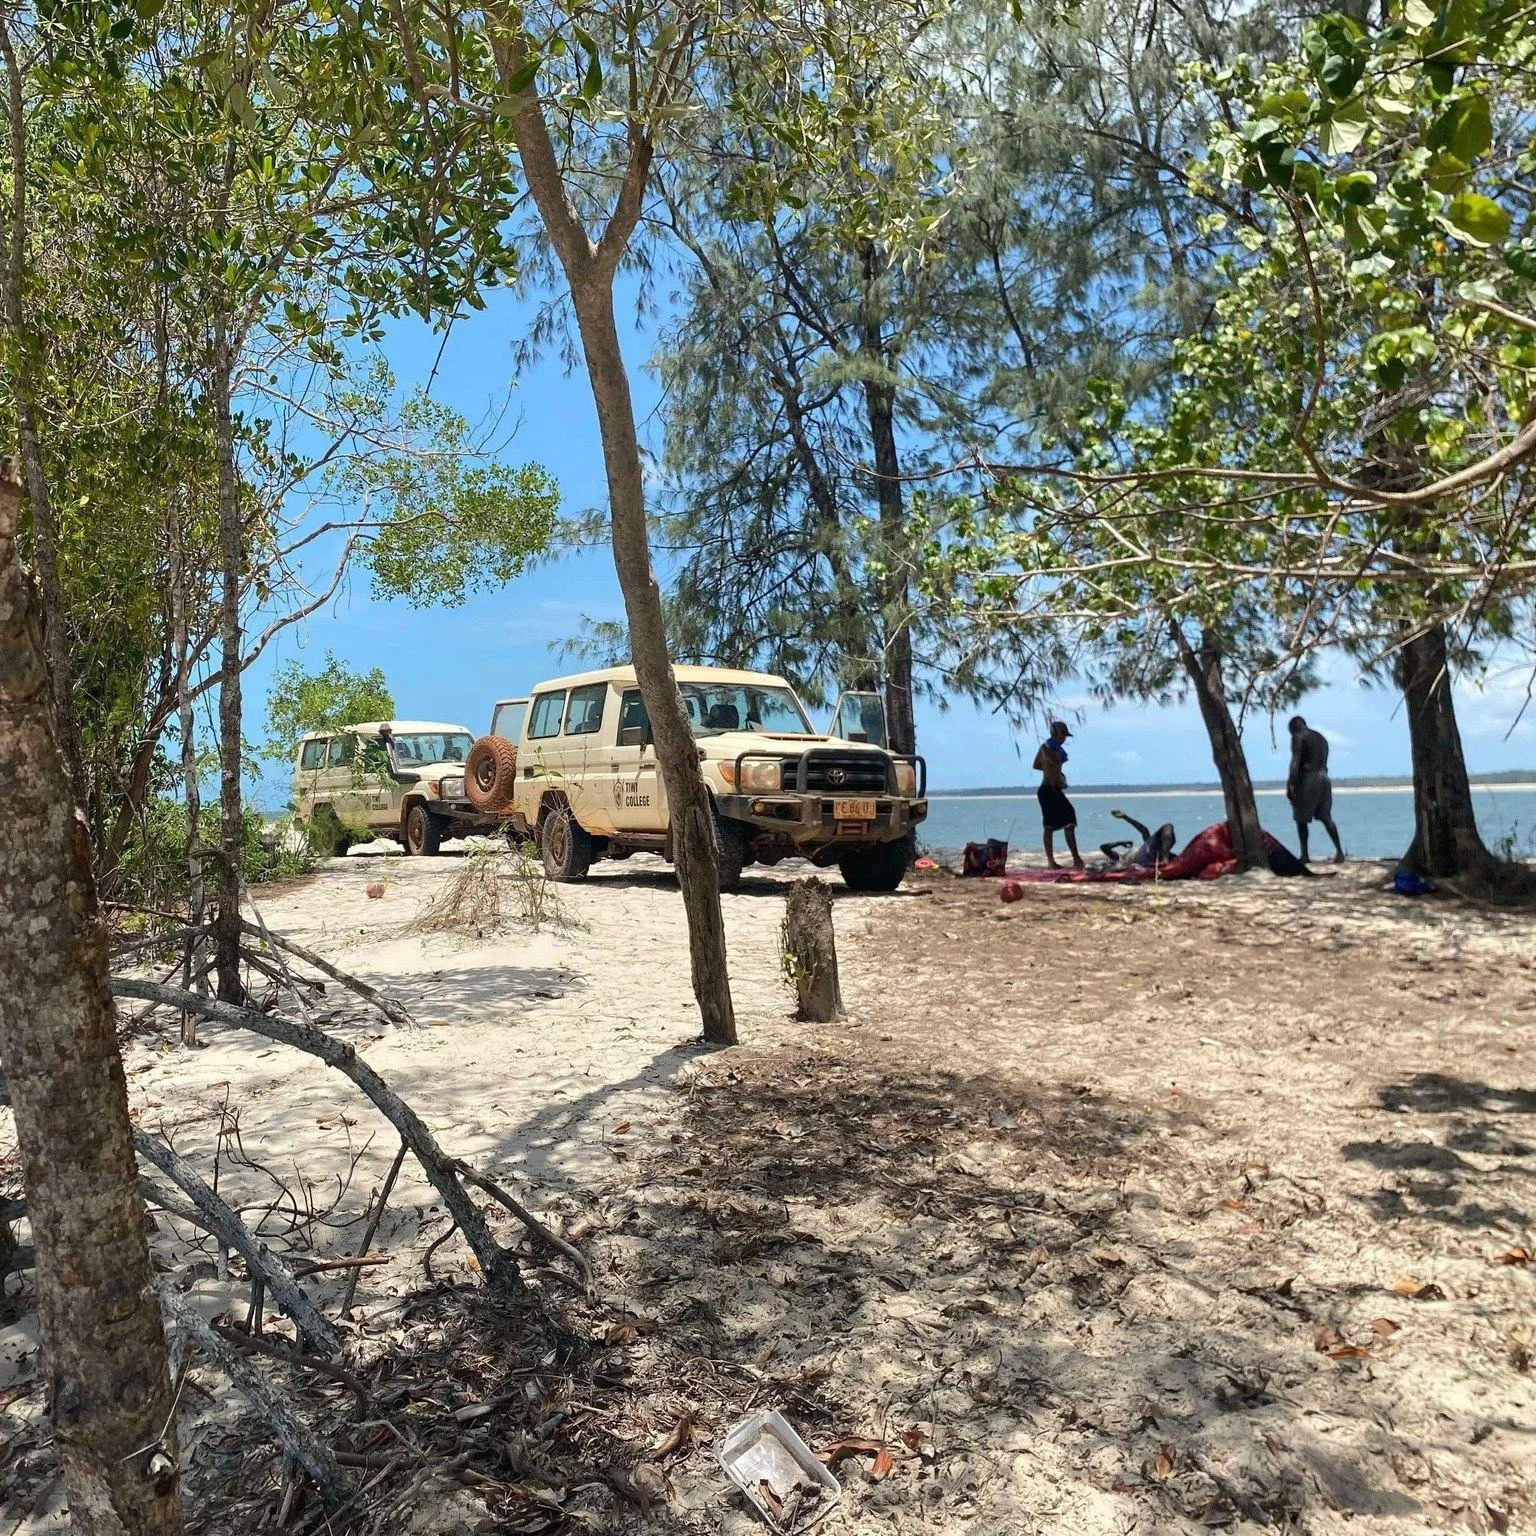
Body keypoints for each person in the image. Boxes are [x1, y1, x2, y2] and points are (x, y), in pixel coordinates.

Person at [1286, 715, 1344, 864]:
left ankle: (1305, 855)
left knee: (1301, 818)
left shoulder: (1298, 737)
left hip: (1309, 779)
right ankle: (1339, 852)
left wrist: (1291, 783)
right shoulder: (1321, 738)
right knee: (1326, 816)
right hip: (1324, 777)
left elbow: (1296, 761)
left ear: (1294, 728)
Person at [1032, 720, 1084, 869]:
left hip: (1056, 790)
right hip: (1047, 790)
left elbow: (1044, 766)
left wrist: (1057, 774)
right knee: (1049, 825)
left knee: (1069, 819)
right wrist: (1049, 770)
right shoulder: (1046, 748)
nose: (1065, 739)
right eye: (1063, 736)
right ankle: (1051, 861)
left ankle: (1076, 858)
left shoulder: (1058, 750)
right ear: (1058, 735)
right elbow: (1035, 765)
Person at [1100, 808, 1177, 871]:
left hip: (1154, 852)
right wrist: (1120, 843)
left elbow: (1144, 830)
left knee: (1169, 832)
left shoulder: (1147, 846)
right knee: (1168, 826)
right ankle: (1165, 858)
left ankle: (1165, 858)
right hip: (1144, 858)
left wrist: (1125, 817)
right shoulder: (1119, 858)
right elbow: (1103, 847)